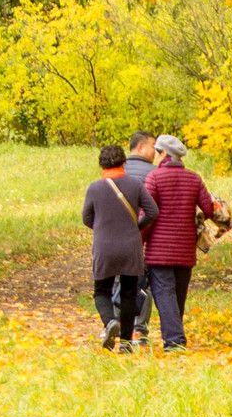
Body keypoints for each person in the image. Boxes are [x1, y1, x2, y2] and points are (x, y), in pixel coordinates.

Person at [141, 134, 221, 352]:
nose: (155, 156)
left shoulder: (154, 178)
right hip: (185, 249)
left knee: (164, 293)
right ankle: (174, 335)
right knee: (178, 295)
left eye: (157, 152)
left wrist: (138, 241)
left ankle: (174, 341)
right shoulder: (194, 179)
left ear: (165, 154)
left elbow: (147, 215)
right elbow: (208, 208)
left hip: (159, 250)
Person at [82, 143, 157, 354]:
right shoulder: (134, 184)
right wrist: (135, 228)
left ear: (101, 165)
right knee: (129, 293)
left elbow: (86, 218)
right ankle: (125, 343)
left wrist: (101, 228)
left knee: (101, 291)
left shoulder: (94, 188)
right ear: (124, 163)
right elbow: (152, 211)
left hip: (104, 247)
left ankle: (109, 323)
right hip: (130, 247)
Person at [122, 131, 160, 344]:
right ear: (140, 148)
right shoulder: (153, 174)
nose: (155, 151)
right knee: (143, 284)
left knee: (120, 281)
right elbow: (155, 210)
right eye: (153, 146)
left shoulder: (118, 173)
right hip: (146, 237)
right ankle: (139, 329)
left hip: (118, 237)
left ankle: (116, 323)